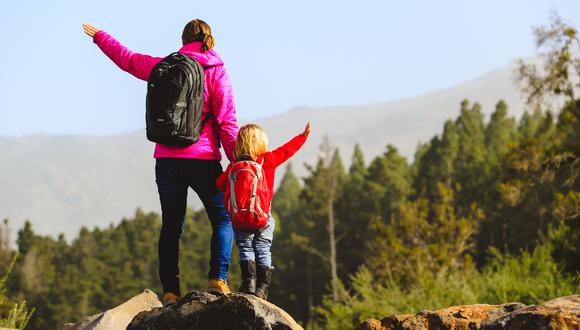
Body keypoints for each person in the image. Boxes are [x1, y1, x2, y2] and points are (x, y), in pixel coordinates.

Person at [82, 19, 239, 305]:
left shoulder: (165, 66)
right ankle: (218, 278)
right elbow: (227, 121)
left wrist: (101, 37)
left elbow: (128, 60)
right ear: (210, 39)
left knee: (171, 225)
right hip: (203, 158)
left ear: (183, 40)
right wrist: (237, 163)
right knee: (222, 218)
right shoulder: (216, 70)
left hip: (167, 159)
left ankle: (170, 291)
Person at [216, 123, 310, 300]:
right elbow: (287, 150)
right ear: (262, 143)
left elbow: (219, 184)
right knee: (263, 249)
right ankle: (262, 288)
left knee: (246, 248)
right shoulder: (268, 160)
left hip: (241, 218)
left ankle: (249, 284)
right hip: (263, 218)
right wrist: (302, 137)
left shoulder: (234, 165)